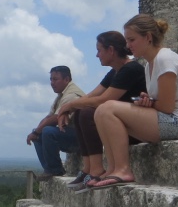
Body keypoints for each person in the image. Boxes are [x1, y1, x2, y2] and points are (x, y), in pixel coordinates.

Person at [89, 14, 178, 188]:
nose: (128, 46)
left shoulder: (165, 59)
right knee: (100, 112)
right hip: (171, 119)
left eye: (132, 40)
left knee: (107, 108)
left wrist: (150, 103)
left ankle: (123, 169)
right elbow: (163, 102)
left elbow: (166, 106)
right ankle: (112, 169)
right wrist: (148, 100)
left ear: (148, 38)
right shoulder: (151, 64)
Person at [56, 31, 146, 190]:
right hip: (118, 127)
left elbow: (103, 100)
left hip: (132, 129)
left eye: (99, 50)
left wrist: (69, 105)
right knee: (81, 111)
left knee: (86, 112)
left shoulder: (131, 69)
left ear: (111, 50)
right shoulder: (115, 71)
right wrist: (67, 109)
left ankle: (97, 169)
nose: (97, 55)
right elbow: (91, 96)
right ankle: (88, 168)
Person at [26, 66, 84, 179]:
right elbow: (49, 116)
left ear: (66, 79)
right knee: (41, 133)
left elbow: (55, 119)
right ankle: (49, 169)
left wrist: (37, 132)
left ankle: (55, 170)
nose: (52, 83)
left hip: (82, 137)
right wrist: (36, 132)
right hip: (72, 133)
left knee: (47, 131)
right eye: (51, 79)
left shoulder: (72, 95)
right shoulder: (61, 95)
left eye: (55, 79)